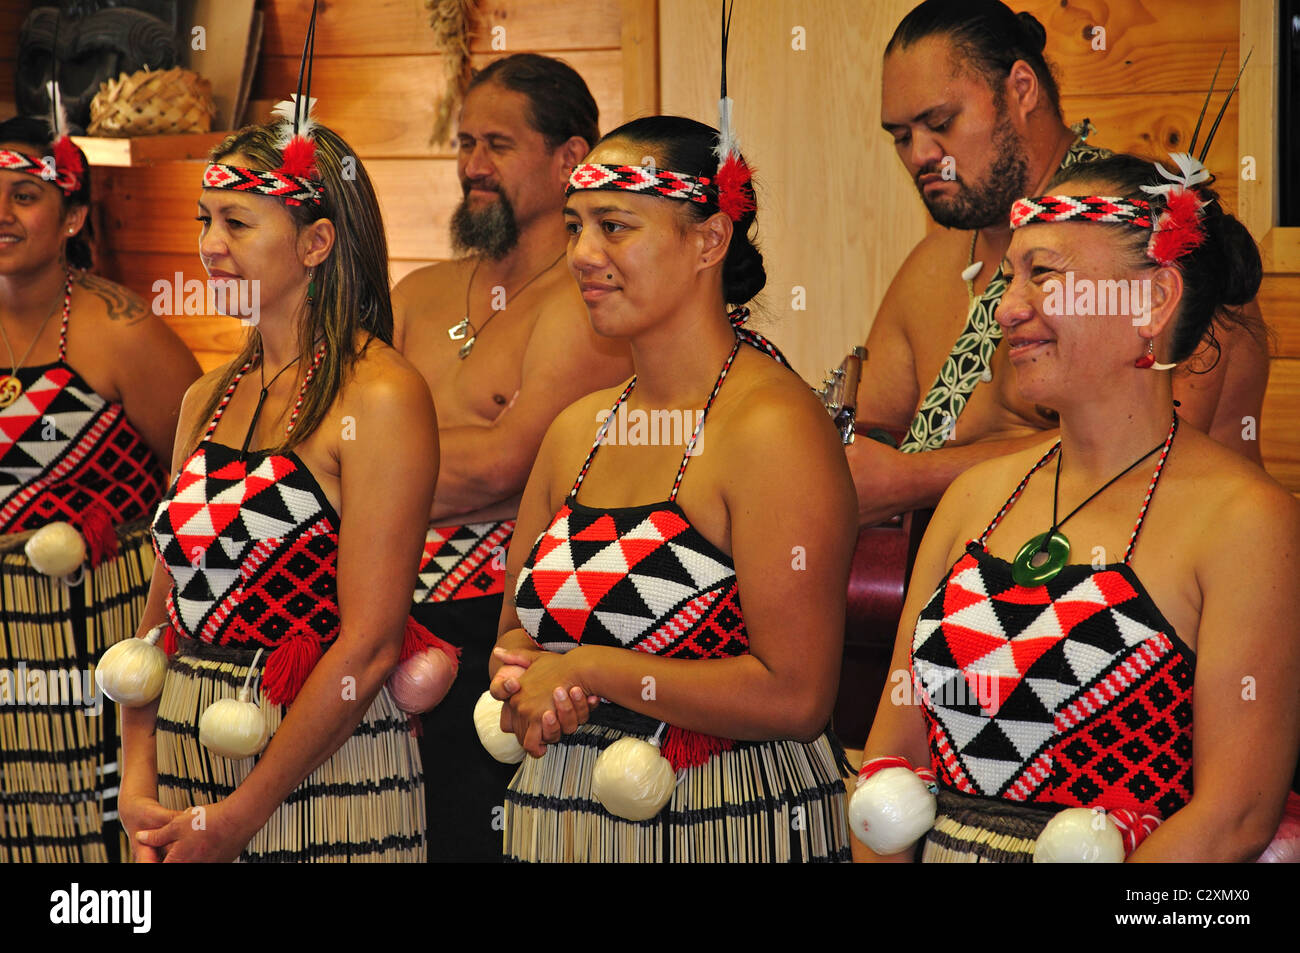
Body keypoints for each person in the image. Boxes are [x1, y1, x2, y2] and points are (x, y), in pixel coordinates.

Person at [860, 152, 1300, 862]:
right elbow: (888, 767)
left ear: (1152, 301)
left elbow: (1235, 815)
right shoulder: (974, 499)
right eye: (1009, 278)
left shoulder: (1248, 523)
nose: (1006, 309)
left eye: (1045, 274)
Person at [488, 115, 857, 862]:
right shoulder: (575, 431)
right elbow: (515, 633)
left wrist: (592, 669)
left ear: (709, 240)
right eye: (574, 227)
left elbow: (797, 693)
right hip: (560, 820)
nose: (583, 256)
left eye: (615, 227)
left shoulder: (773, 427)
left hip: (724, 820)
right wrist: (521, 675)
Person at [115, 115, 440, 862]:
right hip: (186, 753)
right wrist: (139, 786)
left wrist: (239, 817)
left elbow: (370, 645)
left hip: (321, 777)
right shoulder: (208, 396)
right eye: (204, 220)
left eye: (235, 221)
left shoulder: (380, 396)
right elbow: (160, 614)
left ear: (316, 242)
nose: (208, 246)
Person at [851, 0, 1269, 527]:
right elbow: (870, 428)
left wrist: (910, 480)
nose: (920, 155)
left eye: (940, 122)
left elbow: (1148, 445)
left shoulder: (1148, 241)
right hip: (972, 578)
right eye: (901, 137)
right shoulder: (930, 266)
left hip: (1153, 577)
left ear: (1022, 89)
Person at [392, 53, 631, 861]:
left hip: (492, 621)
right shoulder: (419, 293)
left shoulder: (587, 307)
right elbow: (328, 435)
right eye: (464, 144)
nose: (471, 166)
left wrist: (364, 474)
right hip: (375, 615)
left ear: (571, 159)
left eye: (497, 143)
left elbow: (509, 465)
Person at [0, 115, 199, 862]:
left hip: (94, 628)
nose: (1, 214)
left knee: (91, 829)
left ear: (74, 215)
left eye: (24, 195)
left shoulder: (125, 331)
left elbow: (193, 482)